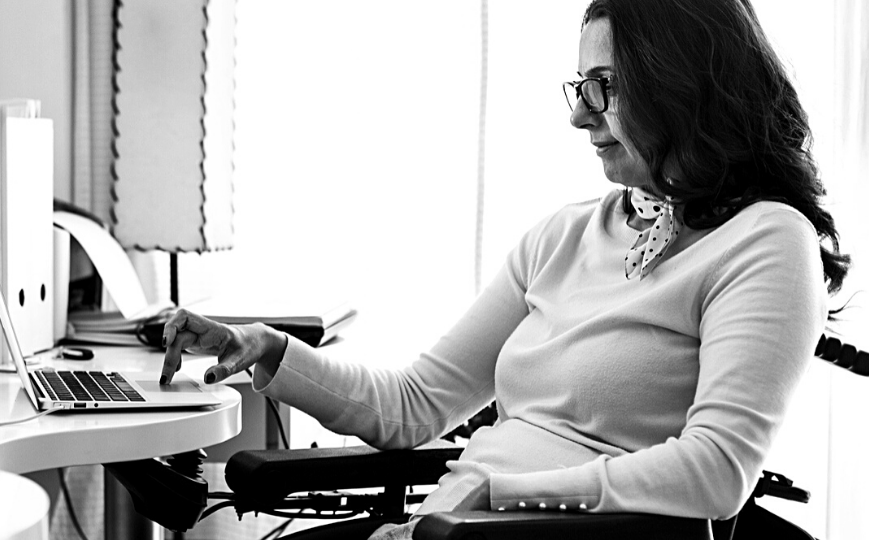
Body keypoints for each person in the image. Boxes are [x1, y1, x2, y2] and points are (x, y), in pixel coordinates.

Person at [159, 0, 851, 538]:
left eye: (605, 86)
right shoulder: (565, 235)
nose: (581, 116)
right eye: (580, 87)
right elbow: (412, 406)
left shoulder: (765, 241)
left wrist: (491, 493)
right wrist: (268, 349)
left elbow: (715, 474)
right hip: (457, 525)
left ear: (682, 83)